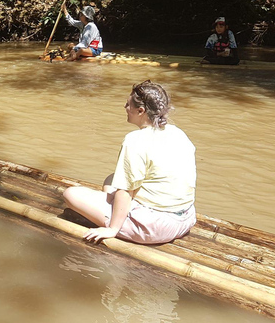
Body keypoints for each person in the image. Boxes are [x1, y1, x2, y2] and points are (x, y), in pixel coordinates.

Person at [62, 80, 197, 244]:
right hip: (186, 219)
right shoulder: (177, 133)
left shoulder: (135, 140)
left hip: (154, 228)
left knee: (71, 194)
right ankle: (115, 210)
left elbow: (125, 191)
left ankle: (117, 219)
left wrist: (112, 229)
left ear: (141, 111)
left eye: (128, 105)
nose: (125, 108)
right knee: (111, 179)